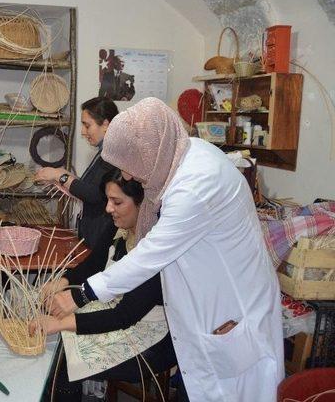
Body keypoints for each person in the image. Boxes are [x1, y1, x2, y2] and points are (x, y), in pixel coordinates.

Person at [49, 98, 284, 402]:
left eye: (130, 167)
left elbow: (148, 256)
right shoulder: (181, 158)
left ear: (149, 152)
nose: (130, 177)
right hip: (201, 308)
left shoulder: (195, 185)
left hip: (230, 309)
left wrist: (81, 294)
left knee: (226, 390)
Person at [33, 171, 176, 401]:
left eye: (117, 202)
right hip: (117, 313)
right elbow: (94, 263)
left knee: (65, 362)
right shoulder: (119, 226)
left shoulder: (156, 249)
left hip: (153, 336)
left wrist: (61, 324)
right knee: (56, 334)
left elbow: (124, 316)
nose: (109, 208)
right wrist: (62, 281)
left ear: (143, 205)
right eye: (108, 200)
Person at [35, 97, 118, 256]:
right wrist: (62, 176)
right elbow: (91, 187)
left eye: (87, 125)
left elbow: (95, 194)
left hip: (100, 239)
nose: (82, 131)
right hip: (93, 235)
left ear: (106, 124)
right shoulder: (104, 152)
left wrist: (60, 176)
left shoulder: (112, 154)